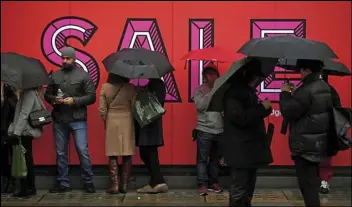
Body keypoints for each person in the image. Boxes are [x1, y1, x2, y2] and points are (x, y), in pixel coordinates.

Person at [279, 59, 333, 207]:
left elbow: (288, 111)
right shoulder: (323, 87)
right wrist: (297, 94)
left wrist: (285, 93)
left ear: (307, 70)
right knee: (311, 185)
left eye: (301, 70)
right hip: (317, 142)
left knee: (307, 186)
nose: (300, 73)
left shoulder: (307, 90)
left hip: (305, 145)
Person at [44, 47, 96, 193]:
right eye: (63, 58)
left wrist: (74, 100)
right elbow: (47, 95)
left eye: (68, 58)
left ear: (74, 59)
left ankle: (88, 181)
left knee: (82, 150)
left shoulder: (83, 75)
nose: (64, 61)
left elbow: (92, 97)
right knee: (61, 153)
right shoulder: (55, 75)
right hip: (59, 119)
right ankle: (63, 183)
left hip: (78, 119)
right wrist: (54, 99)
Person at [221, 59, 273, 207]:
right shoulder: (233, 94)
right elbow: (240, 118)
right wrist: (262, 108)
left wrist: (263, 108)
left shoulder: (248, 92)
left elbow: (251, 114)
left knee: (248, 189)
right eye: (254, 76)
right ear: (245, 75)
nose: (256, 80)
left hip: (251, 149)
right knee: (239, 188)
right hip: (240, 149)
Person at [98, 74, 136, 194]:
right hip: (127, 119)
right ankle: (124, 185)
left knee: (112, 152)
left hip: (112, 120)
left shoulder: (105, 87)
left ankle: (114, 185)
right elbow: (135, 106)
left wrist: (106, 120)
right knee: (127, 152)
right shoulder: (130, 87)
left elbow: (102, 109)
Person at [7, 87, 45, 197]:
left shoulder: (29, 93)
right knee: (27, 158)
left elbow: (24, 113)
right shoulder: (28, 92)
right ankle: (29, 187)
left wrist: (16, 132)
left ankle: (26, 188)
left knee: (24, 159)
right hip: (24, 130)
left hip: (25, 131)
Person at [193, 66, 223, 196]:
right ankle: (202, 184)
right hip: (204, 129)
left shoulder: (222, 91)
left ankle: (213, 182)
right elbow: (200, 106)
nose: (212, 77)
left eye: (214, 74)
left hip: (219, 130)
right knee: (202, 159)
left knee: (215, 159)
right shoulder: (200, 90)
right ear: (204, 76)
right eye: (209, 74)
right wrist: (211, 92)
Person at [136, 78, 168, 194]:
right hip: (148, 123)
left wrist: (142, 93)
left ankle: (157, 182)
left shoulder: (158, 84)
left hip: (151, 123)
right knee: (146, 152)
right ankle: (157, 180)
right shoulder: (152, 84)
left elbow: (155, 103)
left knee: (150, 151)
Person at [319, 73, 341, 194]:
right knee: (325, 157)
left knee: (324, 157)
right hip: (325, 128)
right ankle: (323, 181)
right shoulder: (331, 90)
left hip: (321, 129)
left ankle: (323, 181)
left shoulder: (305, 90)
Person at [1, 83, 17, 193]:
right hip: (2, 129)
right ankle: (5, 181)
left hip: (10, 129)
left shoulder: (10, 89)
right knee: (2, 157)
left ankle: (12, 182)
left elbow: (16, 108)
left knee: (13, 155)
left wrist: (4, 98)